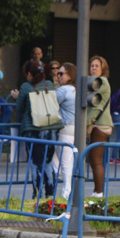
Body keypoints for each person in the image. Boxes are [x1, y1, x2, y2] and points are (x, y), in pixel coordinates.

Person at [13, 60, 58, 197]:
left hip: (33, 128)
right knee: (48, 162)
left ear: (28, 73)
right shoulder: (49, 84)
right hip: (51, 128)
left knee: (35, 163)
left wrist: (17, 97)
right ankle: (50, 194)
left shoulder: (26, 87)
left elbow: (20, 108)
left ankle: (36, 194)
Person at [86, 55, 113, 197]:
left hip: (100, 124)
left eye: (97, 66)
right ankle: (97, 191)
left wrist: (87, 124)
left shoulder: (101, 81)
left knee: (95, 160)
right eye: (92, 65)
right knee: (94, 159)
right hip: (100, 124)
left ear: (103, 69)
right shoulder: (96, 81)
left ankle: (98, 192)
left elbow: (95, 108)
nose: (94, 68)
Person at [52, 62, 77, 199]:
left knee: (64, 164)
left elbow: (51, 103)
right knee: (69, 162)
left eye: (61, 73)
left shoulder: (64, 90)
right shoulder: (75, 90)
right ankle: (68, 192)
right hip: (76, 129)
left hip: (65, 129)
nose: (58, 75)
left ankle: (66, 194)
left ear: (70, 75)